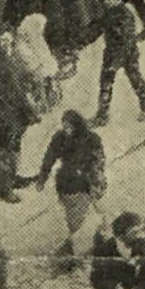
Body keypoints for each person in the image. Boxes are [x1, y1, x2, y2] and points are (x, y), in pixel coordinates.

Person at [34, 109, 108, 264]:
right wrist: (42, 177)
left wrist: (97, 180)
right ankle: (81, 247)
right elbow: (49, 157)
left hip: (85, 182)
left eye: (69, 126)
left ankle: (86, 247)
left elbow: (98, 162)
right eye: (64, 126)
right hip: (67, 184)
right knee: (75, 219)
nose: (66, 130)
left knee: (85, 217)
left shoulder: (91, 139)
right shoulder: (59, 138)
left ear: (77, 125)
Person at [95, 0, 145, 123]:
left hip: (127, 52)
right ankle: (102, 114)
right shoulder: (107, 12)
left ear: (117, 0)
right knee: (105, 82)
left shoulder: (125, 15)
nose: (106, 0)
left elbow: (128, 41)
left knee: (135, 78)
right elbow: (98, 28)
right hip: (110, 51)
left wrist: (117, 62)